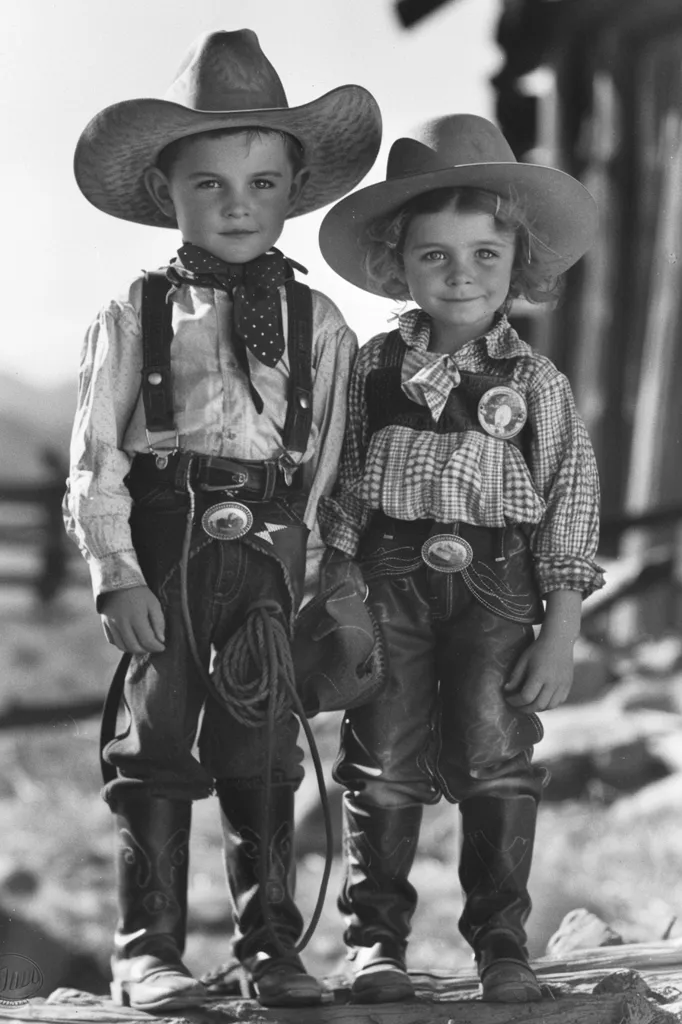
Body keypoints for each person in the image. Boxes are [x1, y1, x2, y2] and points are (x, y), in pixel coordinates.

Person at [64, 29, 381, 1012]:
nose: (237, 203)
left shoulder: (321, 323)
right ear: (169, 193)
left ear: (294, 189)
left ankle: (270, 949)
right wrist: (114, 571)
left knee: (264, 745)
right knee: (152, 742)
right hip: (164, 545)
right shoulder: (134, 311)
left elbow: (333, 459)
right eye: (209, 183)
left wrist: (328, 575)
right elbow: (95, 455)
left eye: (261, 182)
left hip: (273, 555)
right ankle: (143, 950)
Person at [317, 114, 604, 1005]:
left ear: (521, 263)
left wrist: (560, 632)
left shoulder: (537, 384)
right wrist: (335, 584)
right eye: (434, 256)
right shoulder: (370, 369)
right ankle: (376, 943)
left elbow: (571, 506)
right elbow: (339, 487)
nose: (462, 274)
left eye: (485, 253)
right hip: (388, 579)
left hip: (499, 587)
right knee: (383, 755)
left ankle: (501, 944)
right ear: (397, 263)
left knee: (496, 752)